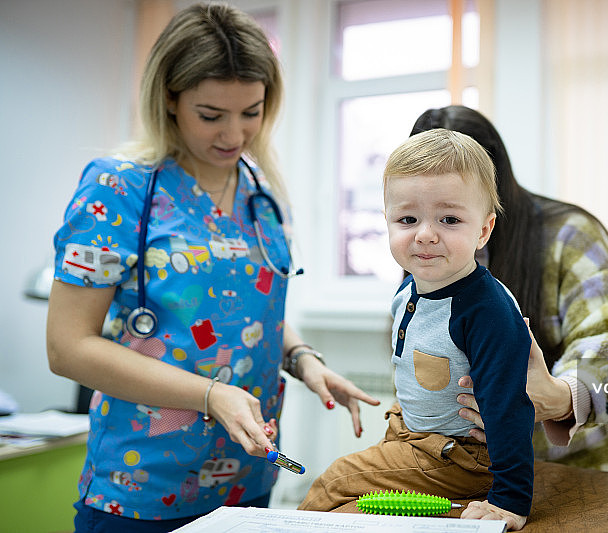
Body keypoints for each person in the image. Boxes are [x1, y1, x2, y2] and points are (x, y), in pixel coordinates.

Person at [46, 4, 378, 532]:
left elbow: (247, 310)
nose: (234, 134)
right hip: (141, 488)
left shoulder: (262, 193)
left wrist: (303, 359)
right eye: (211, 114)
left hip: (249, 478)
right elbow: (67, 347)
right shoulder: (118, 188)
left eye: (252, 112)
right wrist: (209, 395)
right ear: (170, 99)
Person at [299, 128, 534, 530]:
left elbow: (509, 407)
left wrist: (510, 501)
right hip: (412, 433)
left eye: (449, 219)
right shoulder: (409, 289)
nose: (425, 234)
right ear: (387, 222)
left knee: (335, 481)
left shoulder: (486, 309)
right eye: (408, 219)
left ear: (483, 230)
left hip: (461, 454)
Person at [411, 105, 608, 474]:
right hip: (477, 477)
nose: (428, 231)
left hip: (585, 471)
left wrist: (562, 398)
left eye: (450, 213)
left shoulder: (567, 235)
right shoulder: (423, 245)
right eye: (415, 212)